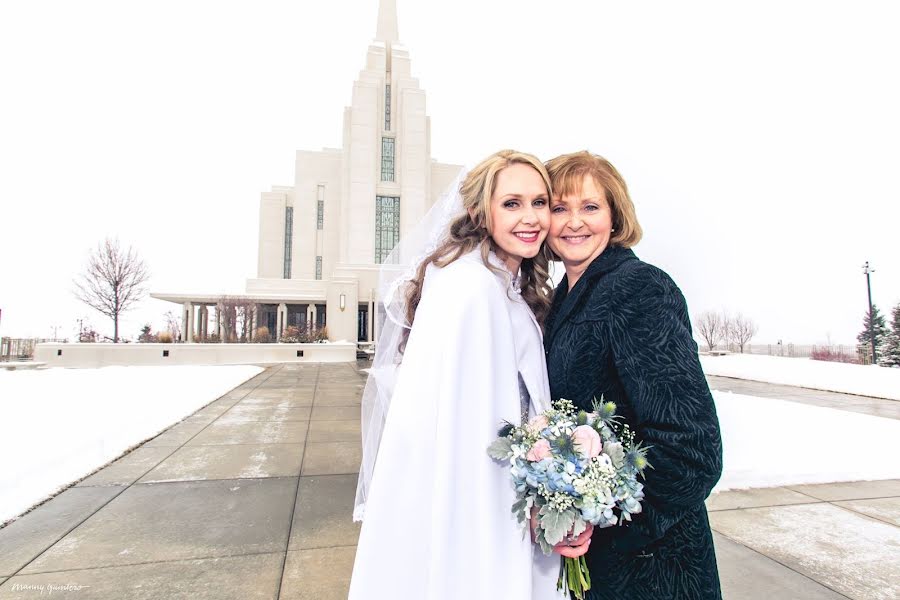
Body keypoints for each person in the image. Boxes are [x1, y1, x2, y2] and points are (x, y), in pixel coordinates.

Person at [349, 150, 566, 599]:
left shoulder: (501, 284)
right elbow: (470, 431)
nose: (531, 217)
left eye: (540, 202)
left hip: (508, 498)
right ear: (478, 212)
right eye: (511, 203)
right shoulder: (471, 287)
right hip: (480, 509)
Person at [542, 151, 723, 599]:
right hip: (594, 567)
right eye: (560, 208)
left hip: (653, 569)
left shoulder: (639, 289)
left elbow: (692, 450)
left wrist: (600, 518)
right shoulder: (560, 299)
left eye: (590, 207)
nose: (573, 223)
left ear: (615, 215)